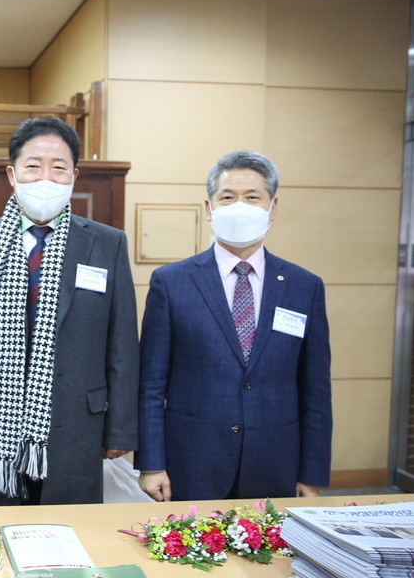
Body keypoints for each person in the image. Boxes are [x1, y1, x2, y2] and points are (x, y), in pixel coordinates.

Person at [0, 117, 139, 505]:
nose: (46, 178)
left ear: (74, 175)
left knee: (70, 541)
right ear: (12, 173)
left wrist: (119, 431)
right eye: (33, 166)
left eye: (59, 167)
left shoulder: (106, 244)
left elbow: (121, 344)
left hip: (77, 427)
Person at [135, 150, 332, 502]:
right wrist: (151, 464)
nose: (239, 206)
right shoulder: (171, 282)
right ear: (209, 208)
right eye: (227, 197)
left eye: (252, 197)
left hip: (277, 463)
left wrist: (312, 473)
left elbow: (315, 389)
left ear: (272, 208)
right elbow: (150, 384)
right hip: (190, 461)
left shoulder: (305, 286)